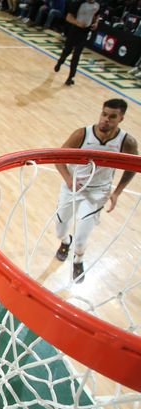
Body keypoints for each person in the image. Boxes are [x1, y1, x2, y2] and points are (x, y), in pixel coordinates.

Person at [53, 99, 137, 282]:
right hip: (73, 187)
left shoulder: (127, 141)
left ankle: (78, 259)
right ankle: (65, 242)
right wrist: (68, 179)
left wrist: (117, 192)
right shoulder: (82, 134)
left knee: (82, 236)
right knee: (59, 229)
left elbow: (132, 168)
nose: (106, 119)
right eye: (104, 114)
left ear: (121, 118)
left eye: (112, 116)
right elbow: (58, 158)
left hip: (98, 192)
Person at [54, 0, 100, 86]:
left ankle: (70, 77)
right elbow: (68, 17)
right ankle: (60, 62)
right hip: (75, 30)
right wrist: (77, 23)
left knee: (76, 55)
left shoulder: (97, 5)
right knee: (67, 51)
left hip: (85, 32)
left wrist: (95, 23)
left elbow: (96, 15)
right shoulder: (78, 3)